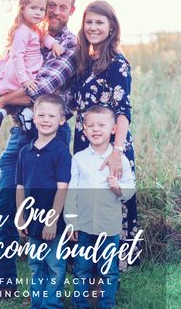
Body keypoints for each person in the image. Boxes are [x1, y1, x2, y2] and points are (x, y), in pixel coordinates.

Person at [0, 0, 76, 306]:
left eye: (61, 7)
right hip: (20, 136)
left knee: (47, 213)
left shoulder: (68, 45)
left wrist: (0, 102)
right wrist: (1, 96)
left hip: (51, 137)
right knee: (4, 205)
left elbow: (40, 90)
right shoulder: (27, 33)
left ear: (71, 10)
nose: (53, 12)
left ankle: (59, 281)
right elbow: (3, 70)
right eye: (49, 5)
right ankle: (2, 284)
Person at [72, 0, 139, 270]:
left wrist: (117, 152)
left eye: (100, 22)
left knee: (112, 199)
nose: (93, 27)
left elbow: (123, 110)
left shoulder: (117, 63)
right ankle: (88, 262)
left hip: (111, 144)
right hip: (85, 140)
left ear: (111, 27)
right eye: (89, 22)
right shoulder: (86, 61)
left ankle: (114, 266)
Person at [64, 106, 136, 309]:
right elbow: (72, 192)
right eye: (91, 126)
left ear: (113, 129)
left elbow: (130, 189)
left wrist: (118, 188)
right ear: (84, 130)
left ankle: (106, 304)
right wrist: (71, 222)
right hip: (84, 227)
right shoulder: (79, 159)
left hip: (109, 227)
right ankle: (81, 305)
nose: (96, 129)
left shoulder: (119, 159)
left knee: (109, 271)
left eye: (101, 125)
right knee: (82, 269)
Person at [16, 94, 71, 308]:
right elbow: (20, 187)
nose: (46, 119)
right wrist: (20, 216)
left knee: (55, 265)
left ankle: (51, 304)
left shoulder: (61, 152)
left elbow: (62, 188)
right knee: (35, 265)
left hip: (53, 222)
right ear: (34, 118)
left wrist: (52, 220)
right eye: (41, 115)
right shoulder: (25, 152)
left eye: (51, 115)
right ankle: (36, 304)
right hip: (32, 220)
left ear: (61, 120)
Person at [0, 0, 64, 140]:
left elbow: (44, 38)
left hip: (29, 69)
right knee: (37, 93)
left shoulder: (34, 29)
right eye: (33, 8)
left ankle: (2, 113)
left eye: (42, 9)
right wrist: (25, 79)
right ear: (22, 9)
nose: (38, 12)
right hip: (22, 72)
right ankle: (26, 115)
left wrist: (54, 44)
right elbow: (16, 56)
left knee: (30, 96)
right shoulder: (22, 30)